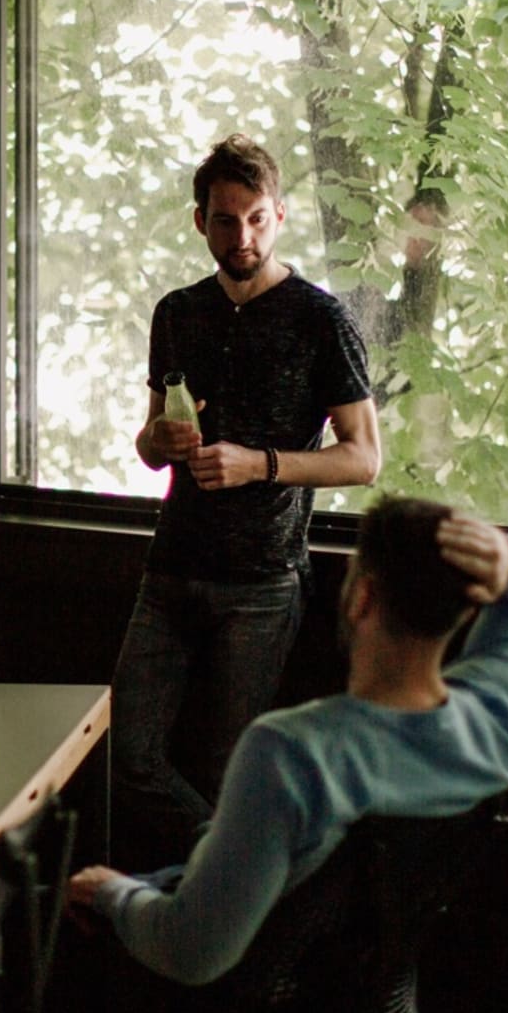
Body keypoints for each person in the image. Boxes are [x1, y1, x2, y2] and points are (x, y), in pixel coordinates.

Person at [70, 496, 508, 987]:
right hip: (383, 1011)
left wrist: (113, 894)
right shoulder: (502, 720)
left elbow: (192, 953)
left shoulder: (289, 753)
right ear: (465, 610)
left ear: (361, 597)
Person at [110, 133, 382, 870]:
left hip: (262, 584)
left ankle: (227, 900)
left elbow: (364, 459)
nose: (243, 237)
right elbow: (148, 445)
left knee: (226, 772)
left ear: (280, 215)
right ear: (200, 221)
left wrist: (259, 465)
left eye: (257, 219)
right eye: (226, 221)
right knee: (127, 758)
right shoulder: (177, 312)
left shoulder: (321, 319)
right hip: (169, 570)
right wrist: (158, 441)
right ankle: (254, 879)